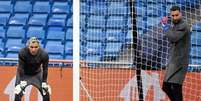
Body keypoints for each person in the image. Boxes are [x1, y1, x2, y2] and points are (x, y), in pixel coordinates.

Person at [162, 6, 191, 101]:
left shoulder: (184, 25)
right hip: (174, 61)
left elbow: (173, 37)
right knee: (169, 87)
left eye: (176, 15)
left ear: (181, 14)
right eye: (173, 15)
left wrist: (165, 26)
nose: (175, 17)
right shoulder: (175, 25)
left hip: (180, 62)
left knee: (173, 87)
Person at [14, 37, 51, 101]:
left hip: (37, 74)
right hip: (24, 73)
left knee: (46, 93)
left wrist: (44, 82)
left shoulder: (44, 54)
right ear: (28, 46)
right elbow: (21, 67)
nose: (33, 49)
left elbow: (45, 69)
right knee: (18, 92)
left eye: (36, 47)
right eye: (31, 47)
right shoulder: (22, 52)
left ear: (39, 47)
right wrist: (22, 81)